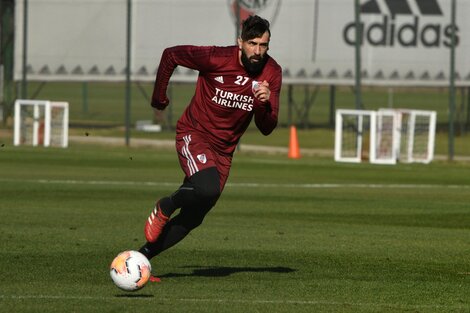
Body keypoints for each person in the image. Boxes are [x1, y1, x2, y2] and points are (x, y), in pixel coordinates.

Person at [138, 15, 282, 279]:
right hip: (195, 134)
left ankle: (140, 258)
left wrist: (264, 103)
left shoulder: (272, 73)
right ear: (240, 42)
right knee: (207, 188)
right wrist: (159, 99)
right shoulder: (216, 58)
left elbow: (267, 127)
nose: (258, 51)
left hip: (224, 151)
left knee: (194, 216)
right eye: (252, 44)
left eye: (263, 45)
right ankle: (166, 205)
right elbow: (171, 55)